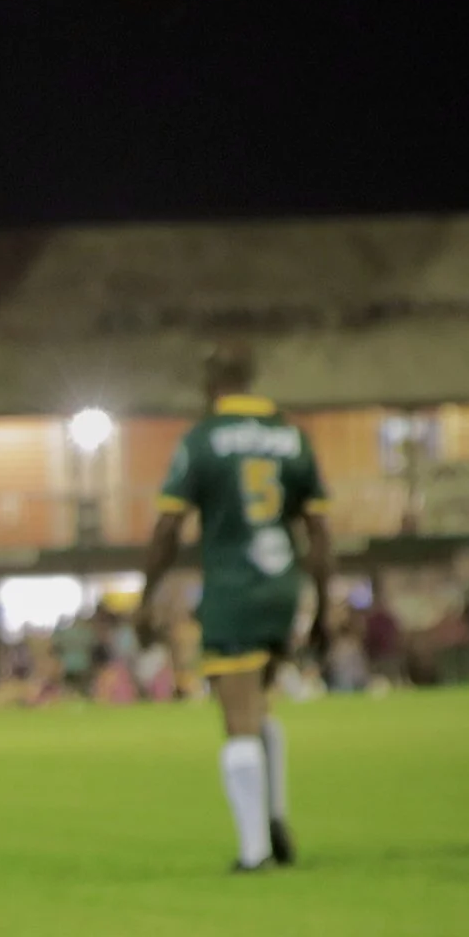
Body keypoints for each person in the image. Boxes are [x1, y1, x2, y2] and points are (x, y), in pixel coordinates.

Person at [139, 343, 333, 873]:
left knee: (237, 719)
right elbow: (318, 531)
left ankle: (255, 853)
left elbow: (167, 528)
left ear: (211, 385)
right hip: (281, 586)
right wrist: (323, 606)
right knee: (261, 707)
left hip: (233, 588)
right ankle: (275, 822)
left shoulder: (203, 441)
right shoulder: (291, 437)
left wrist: (146, 595)